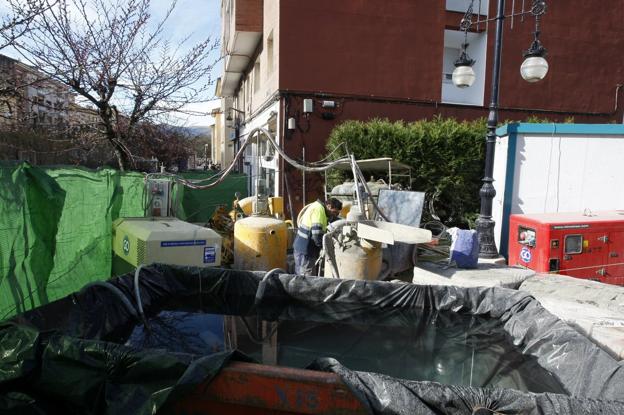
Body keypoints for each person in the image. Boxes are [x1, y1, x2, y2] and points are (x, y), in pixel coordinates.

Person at [293, 198, 343, 276]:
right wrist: (324, 248)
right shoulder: (319, 210)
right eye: (334, 212)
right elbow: (316, 234)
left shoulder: (319, 207)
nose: (334, 215)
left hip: (306, 249)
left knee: (304, 276)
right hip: (305, 250)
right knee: (306, 278)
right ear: (329, 206)